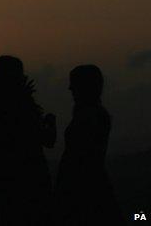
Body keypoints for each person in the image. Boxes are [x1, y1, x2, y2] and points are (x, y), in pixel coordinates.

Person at [0, 55, 56, 225]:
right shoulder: (23, 105)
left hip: (9, 174)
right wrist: (50, 123)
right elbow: (47, 140)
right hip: (34, 172)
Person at [55, 65, 122, 225]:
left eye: (74, 84)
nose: (70, 89)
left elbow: (81, 156)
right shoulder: (95, 114)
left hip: (83, 187)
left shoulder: (90, 116)